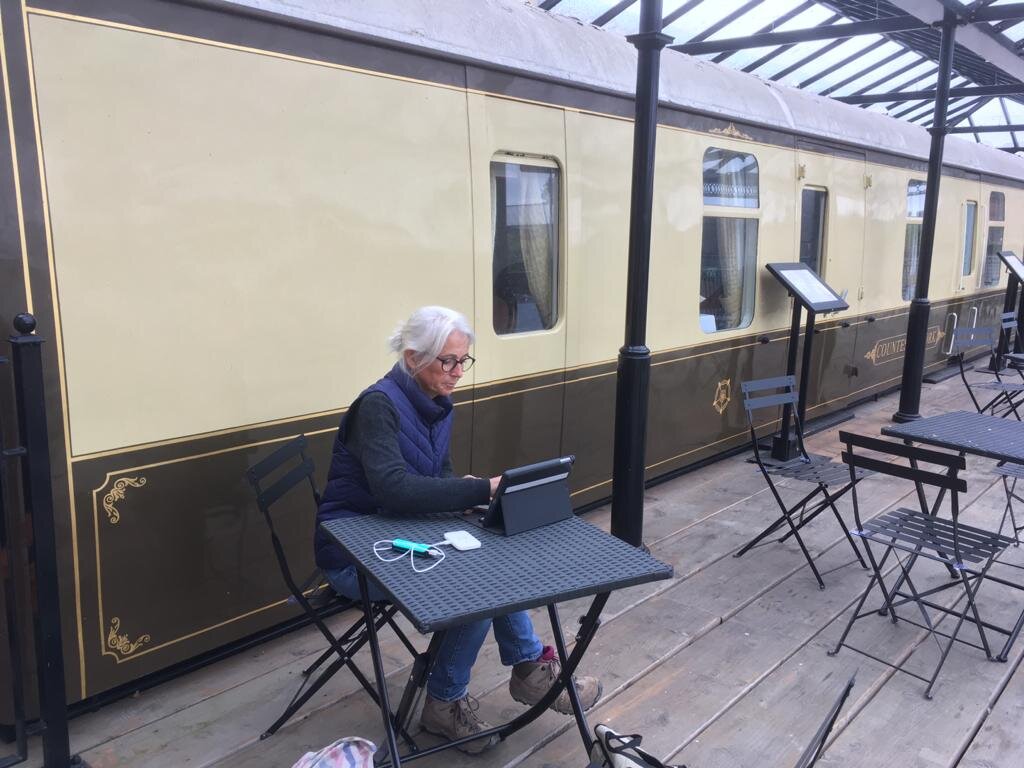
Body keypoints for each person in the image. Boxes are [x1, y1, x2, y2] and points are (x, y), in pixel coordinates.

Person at [315, 306, 602, 754]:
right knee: (477, 582)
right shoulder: (377, 406)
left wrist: (471, 492)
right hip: (352, 550)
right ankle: (446, 704)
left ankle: (528, 669)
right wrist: (475, 491)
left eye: (462, 361)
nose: (456, 373)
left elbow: (434, 476)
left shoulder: (434, 403)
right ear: (412, 358)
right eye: (447, 361)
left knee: (496, 555)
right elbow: (393, 491)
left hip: (398, 531)